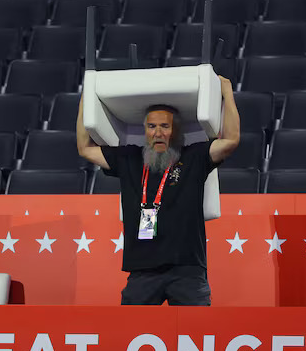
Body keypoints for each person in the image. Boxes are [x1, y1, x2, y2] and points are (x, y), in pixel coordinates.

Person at [76, 75, 241, 305]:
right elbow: (85, 149)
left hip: (187, 270)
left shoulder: (194, 157)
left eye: (165, 126)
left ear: (175, 131)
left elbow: (231, 141)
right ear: (145, 130)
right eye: (152, 126)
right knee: (130, 333)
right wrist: (88, 97)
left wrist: (227, 93)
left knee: (196, 333)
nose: (158, 133)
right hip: (142, 271)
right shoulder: (129, 158)